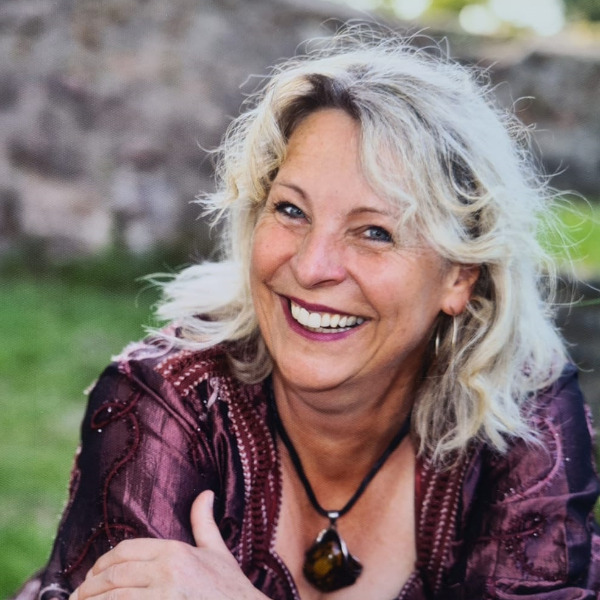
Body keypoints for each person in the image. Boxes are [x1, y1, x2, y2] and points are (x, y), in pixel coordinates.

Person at [15, 28, 600, 600]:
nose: (312, 266)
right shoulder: (167, 399)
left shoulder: (526, 414)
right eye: (292, 210)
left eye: (374, 232)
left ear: (460, 277)